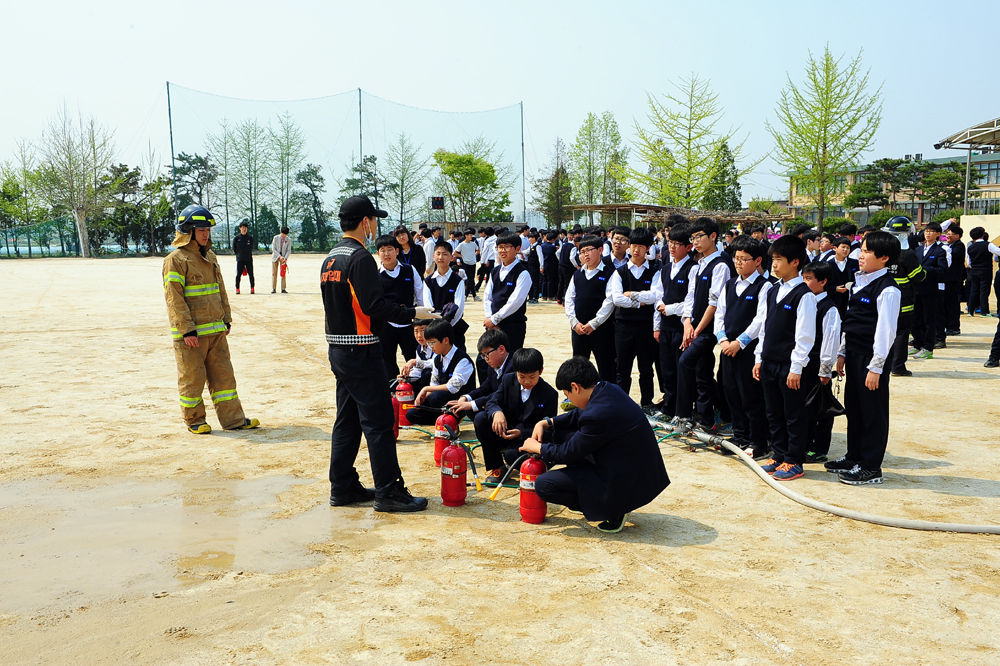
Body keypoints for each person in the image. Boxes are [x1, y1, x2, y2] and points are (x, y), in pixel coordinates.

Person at [321, 194, 437, 512]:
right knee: (379, 421)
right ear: (365, 222)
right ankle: (389, 491)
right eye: (374, 220)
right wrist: (414, 313)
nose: (375, 227)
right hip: (361, 349)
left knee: (347, 420)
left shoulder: (331, 258)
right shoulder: (359, 258)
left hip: (339, 348)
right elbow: (374, 305)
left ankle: (342, 485)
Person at [521, 357, 670, 533]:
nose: (568, 398)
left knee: (544, 485)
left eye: (567, 394)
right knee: (560, 433)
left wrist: (536, 447)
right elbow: (578, 414)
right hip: (634, 466)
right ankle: (591, 498)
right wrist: (547, 422)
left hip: (626, 480)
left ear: (575, 387)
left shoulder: (597, 415)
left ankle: (613, 509)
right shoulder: (607, 389)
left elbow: (567, 453)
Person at [163, 204, 259, 435]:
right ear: (188, 231)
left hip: (215, 331)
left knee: (224, 378)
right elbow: (174, 299)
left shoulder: (210, 256)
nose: (206, 234)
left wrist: (226, 318)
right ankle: (194, 420)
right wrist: (186, 331)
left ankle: (233, 419)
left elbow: (220, 290)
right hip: (192, 335)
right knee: (192, 378)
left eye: (208, 230)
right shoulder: (175, 260)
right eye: (201, 230)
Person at [825, 231, 901, 485]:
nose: (861, 256)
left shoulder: (888, 289)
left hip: (872, 358)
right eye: (862, 250)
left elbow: (886, 331)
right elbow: (852, 321)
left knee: (873, 412)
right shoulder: (860, 281)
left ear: (884, 257)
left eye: (868, 252)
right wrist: (843, 352)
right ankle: (854, 456)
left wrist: (876, 367)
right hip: (855, 353)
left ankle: (870, 466)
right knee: (855, 409)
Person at [751, 235, 817, 481]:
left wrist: (797, 367)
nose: (774, 265)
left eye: (779, 260)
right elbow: (765, 328)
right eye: (772, 260)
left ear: (795, 262)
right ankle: (778, 453)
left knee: (793, 413)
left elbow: (805, 337)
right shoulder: (772, 290)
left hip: (790, 366)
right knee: (773, 411)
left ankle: (794, 459)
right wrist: (759, 358)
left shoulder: (804, 295)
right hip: (769, 361)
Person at [714, 236, 771, 459]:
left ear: (757, 261)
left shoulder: (764, 286)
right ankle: (740, 434)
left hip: (749, 351)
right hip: (728, 348)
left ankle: (759, 441)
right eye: (736, 258)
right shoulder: (730, 285)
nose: (738, 262)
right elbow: (720, 314)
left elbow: (761, 319)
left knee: (751, 395)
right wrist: (723, 340)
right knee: (731, 391)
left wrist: (740, 342)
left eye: (743, 259)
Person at [675, 217, 731, 431]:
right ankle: (706, 420)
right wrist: (688, 323)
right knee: (703, 373)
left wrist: (697, 330)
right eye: (693, 237)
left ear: (713, 236)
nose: (695, 241)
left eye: (700, 236)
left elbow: (714, 303)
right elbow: (690, 296)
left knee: (685, 362)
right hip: (695, 327)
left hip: (708, 330)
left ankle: (683, 416)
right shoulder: (699, 265)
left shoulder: (721, 266)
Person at [474, 348, 557, 485]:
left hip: (528, 438)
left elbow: (548, 430)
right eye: (522, 376)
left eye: (532, 376)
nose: (527, 381)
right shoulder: (508, 380)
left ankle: (537, 465)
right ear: (516, 372)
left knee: (511, 456)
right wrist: (497, 413)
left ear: (540, 371)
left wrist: (521, 434)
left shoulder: (549, 394)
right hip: (506, 430)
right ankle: (497, 467)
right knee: (481, 419)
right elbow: (492, 402)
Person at [610, 227, 660, 409]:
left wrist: (631, 295)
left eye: (641, 246)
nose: (636, 250)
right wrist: (641, 301)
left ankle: (647, 402)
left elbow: (655, 297)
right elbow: (617, 299)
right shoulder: (619, 272)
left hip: (646, 327)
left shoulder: (655, 272)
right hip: (623, 326)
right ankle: (621, 404)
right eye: (633, 245)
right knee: (622, 368)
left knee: (646, 368)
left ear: (648, 248)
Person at [652, 223, 696, 419]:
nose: (672, 247)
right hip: (666, 326)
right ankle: (669, 406)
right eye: (671, 242)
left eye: (678, 244)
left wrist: (669, 309)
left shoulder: (692, 269)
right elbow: (659, 295)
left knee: (682, 370)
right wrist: (658, 323)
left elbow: (691, 301)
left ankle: (683, 410)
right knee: (667, 368)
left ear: (688, 247)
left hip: (682, 327)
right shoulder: (666, 268)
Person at [800, 261, 841, 463]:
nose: (804, 282)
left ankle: (819, 448)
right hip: (802, 361)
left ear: (823, 282)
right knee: (802, 406)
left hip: (817, 364)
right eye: (803, 277)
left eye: (809, 279)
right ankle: (803, 443)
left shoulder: (829, 308)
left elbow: (831, 340)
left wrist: (825, 370)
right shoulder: (804, 301)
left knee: (819, 407)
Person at [402, 320, 476, 426]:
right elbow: (434, 383)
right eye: (429, 343)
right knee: (411, 414)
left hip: (458, 401)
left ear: (446, 340)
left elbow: (452, 387)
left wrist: (425, 389)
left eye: (433, 342)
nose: (431, 346)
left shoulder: (462, 360)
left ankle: (452, 419)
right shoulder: (438, 358)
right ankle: (441, 421)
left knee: (435, 397)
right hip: (441, 400)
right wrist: (422, 399)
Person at [565, 235, 617, 383]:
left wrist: (594, 323)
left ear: (600, 250)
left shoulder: (610, 274)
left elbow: (609, 302)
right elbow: (569, 299)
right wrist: (574, 323)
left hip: (601, 329)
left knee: (606, 365)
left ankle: (608, 398)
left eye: (589, 250)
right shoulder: (577, 275)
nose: (585, 254)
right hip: (579, 328)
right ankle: (577, 398)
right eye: (582, 251)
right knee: (579, 365)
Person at [881, 216, 925, 378]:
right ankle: (898, 366)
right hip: (903, 300)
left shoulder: (881, 251)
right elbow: (918, 276)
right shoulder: (907, 254)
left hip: (882, 298)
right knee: (901, 332)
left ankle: (883, 363)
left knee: (884, 331)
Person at [376, 235, 424, 380]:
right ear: (378, 254)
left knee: (413, 357)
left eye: (389, 249)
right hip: (386, 325)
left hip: (409, 324)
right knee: (387, 361)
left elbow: (420, 294)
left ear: (397, 251)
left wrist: (421, 321)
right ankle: (392, 391)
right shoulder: (375, 276)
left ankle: (415, 389)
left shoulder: (410, 270)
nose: (386, 254)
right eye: (382, 250)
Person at [483, 233, 532, 354]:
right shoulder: (495, 271)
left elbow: (515, 301)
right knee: (490, 360)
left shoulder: (523, 273)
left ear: (517, 249)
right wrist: (490, 319)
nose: (502, 250)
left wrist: (495, 319)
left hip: (512, 326)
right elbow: (487, 296)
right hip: (492, 326)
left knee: (510, 362)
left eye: (507, 247)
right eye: (500, 247)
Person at [447, 329, 515, 415]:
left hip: (511, 409)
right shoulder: (493, 366)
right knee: (468, 409)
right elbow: (484, 388)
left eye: (487, 354)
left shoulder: (513, 366)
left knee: (479, 415)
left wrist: (472, 404)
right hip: (497, 404)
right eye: (483, 355)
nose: (486, 359)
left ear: (501, 349)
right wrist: (466, 397)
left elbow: (501, 393)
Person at [911, 222, 947, 359]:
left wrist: (925, 270)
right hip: (916, 289)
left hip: (930, 290)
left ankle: (928, 347)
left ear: (938, 234)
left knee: (929, 320)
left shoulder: (940, 251)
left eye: (931, 231)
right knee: (915, 319)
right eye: (926, 231)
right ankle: (917, 344)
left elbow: (943, 270)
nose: (928, 233)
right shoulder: (918, 250)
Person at [423, 240, 469, 350]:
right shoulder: (429, 281)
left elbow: (458, 307)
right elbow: (428, 306)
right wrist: (438, 326)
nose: (441, 257)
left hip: (453, 327)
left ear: (451, 257)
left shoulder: (458, 281)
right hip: (434, 328)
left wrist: (446, 326)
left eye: (445, 254)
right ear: (433, 256)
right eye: (438, 254)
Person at [941, 224, 965, 336]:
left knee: (952, 303)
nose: (947, 236)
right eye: (947, 234)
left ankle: (954, 327)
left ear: (957, 236)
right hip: (946, 279)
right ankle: (947, 326)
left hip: (953, 279)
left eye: (950, 234)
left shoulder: (959, 246)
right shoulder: (949, 246)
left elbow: (951, 256)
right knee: (945, 303)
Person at [827, 237, 859, 317]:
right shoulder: (828, 265)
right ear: (835, 248)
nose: (845, 250)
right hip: (833, 299)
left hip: (850, 299)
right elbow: (823, 284)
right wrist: (835, 289)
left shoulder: (855, 263)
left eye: (848, 248)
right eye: (843, 247)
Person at [966, 226, 993, 316]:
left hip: (974, 271)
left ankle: (970, 311)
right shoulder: (988, 245)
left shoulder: (970, 247)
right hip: (985, 270)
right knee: (984, 291)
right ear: (982, 235)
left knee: (974, 290)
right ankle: (984, 311)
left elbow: (969, 262)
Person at [455, 228, 479, 300]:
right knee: (470, 279)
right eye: (470, 235)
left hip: (473, 262)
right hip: (466, 263)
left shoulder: (473, 243)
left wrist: (474, 255)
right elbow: (455, 252)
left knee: (470, 279)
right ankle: (474, 295)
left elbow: (478, 250)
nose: (471, 236)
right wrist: (462, 256)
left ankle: (466, 295)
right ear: (466, 235)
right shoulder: (462, 244)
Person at [233, 220, 255, 294]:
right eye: (242, 227)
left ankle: (252, 288)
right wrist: (239, 255)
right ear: (240, 228)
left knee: (251, 274)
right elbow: (234, 249)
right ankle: (237, 288)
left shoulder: (250, 238)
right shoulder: (236, 239)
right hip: (240, 259)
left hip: (248, 259)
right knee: (238, 275)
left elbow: (251, 248)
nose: (244, 229)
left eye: (245, 227)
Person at [539, 231, 560, 300]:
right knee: (550, 281)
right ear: (553, 239)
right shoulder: (552, 247)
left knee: (544, 280)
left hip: (544, 265)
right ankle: (550, 296)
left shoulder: (542, 246)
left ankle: (544, 295)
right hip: (551, 266)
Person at [270, 226, 291, 293]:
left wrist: (285, 258)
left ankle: (283, 288)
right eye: (283, 234)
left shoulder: (288, 239)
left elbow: (289, 250)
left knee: (283, 273)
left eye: (286, 234)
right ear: (280, 232)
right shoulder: (276, 238)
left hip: (284, 258)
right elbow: (273, 249)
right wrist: (279, 256)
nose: (284, 236)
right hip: (275, 257)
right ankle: (273, 288)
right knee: (274, 273)